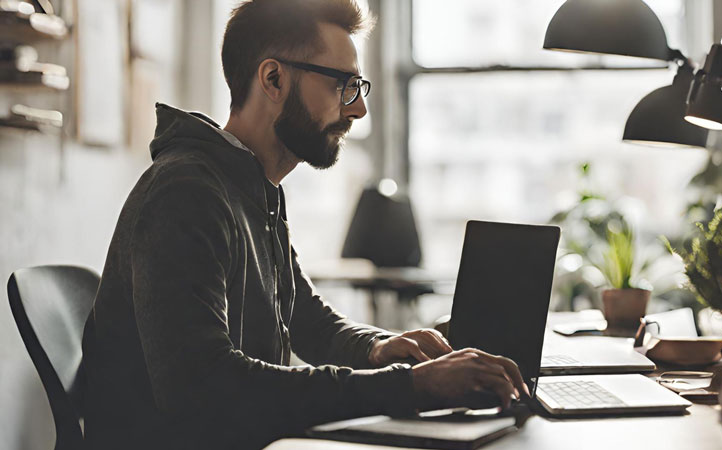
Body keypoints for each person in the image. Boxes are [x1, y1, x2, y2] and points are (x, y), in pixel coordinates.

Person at [82, 1, 529, 449]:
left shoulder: (253, 186)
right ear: (273, 78)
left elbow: (305, 320)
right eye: (343, 86)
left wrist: (379, 349)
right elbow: (204, 390)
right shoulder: (186, 193)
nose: (358, 112)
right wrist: (410, 387)